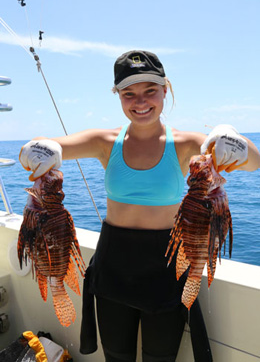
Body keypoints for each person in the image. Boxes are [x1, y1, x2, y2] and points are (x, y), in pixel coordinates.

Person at [19, 50, 260, 362]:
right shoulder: (104, 141)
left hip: (167, 267)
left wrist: (234, 140)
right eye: (129, 93)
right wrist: (37, 149)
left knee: (160, 357)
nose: (141, 101)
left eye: (150, 91)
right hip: (113, 265)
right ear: (118, 95)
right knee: (116, 356)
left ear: (165, 89)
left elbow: (253, 162)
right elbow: (47, 144)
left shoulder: (188, 143)